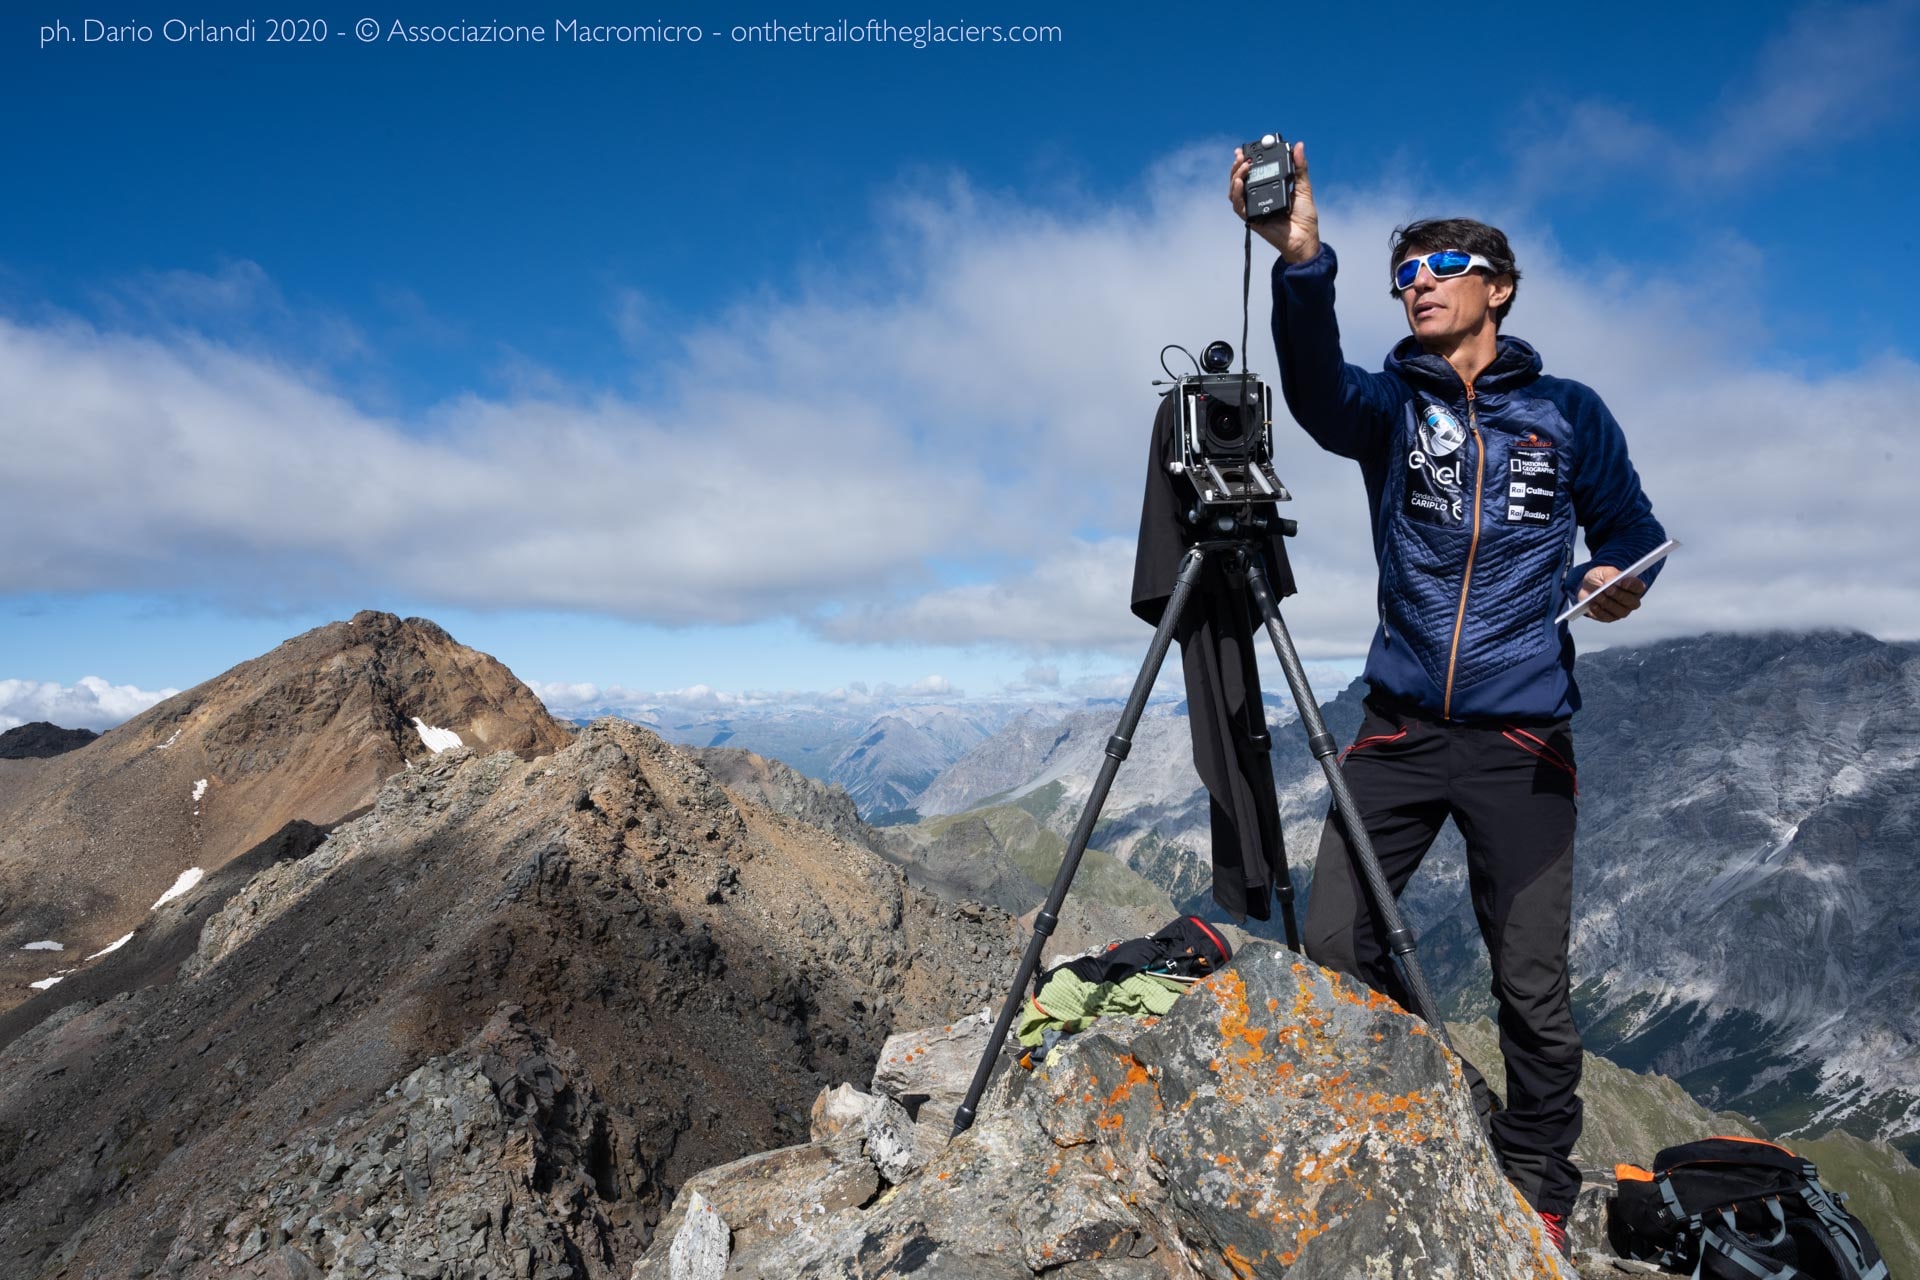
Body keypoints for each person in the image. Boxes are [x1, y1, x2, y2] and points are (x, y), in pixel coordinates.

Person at [1228, 141, 1667, 1256]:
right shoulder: (1390, 409)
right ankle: (1414, 1088)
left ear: (1498, 285)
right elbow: (1316, 388)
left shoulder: (1570, 412)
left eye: (1443, 263)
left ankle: (1535, 1175)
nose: (1418, 280)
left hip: (1525, 740)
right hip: (1400, 729)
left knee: (1531, 981)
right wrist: (1301, 258)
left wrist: (1617, 583)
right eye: (1404, 271)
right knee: (1332, 939)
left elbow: (1634, 538)